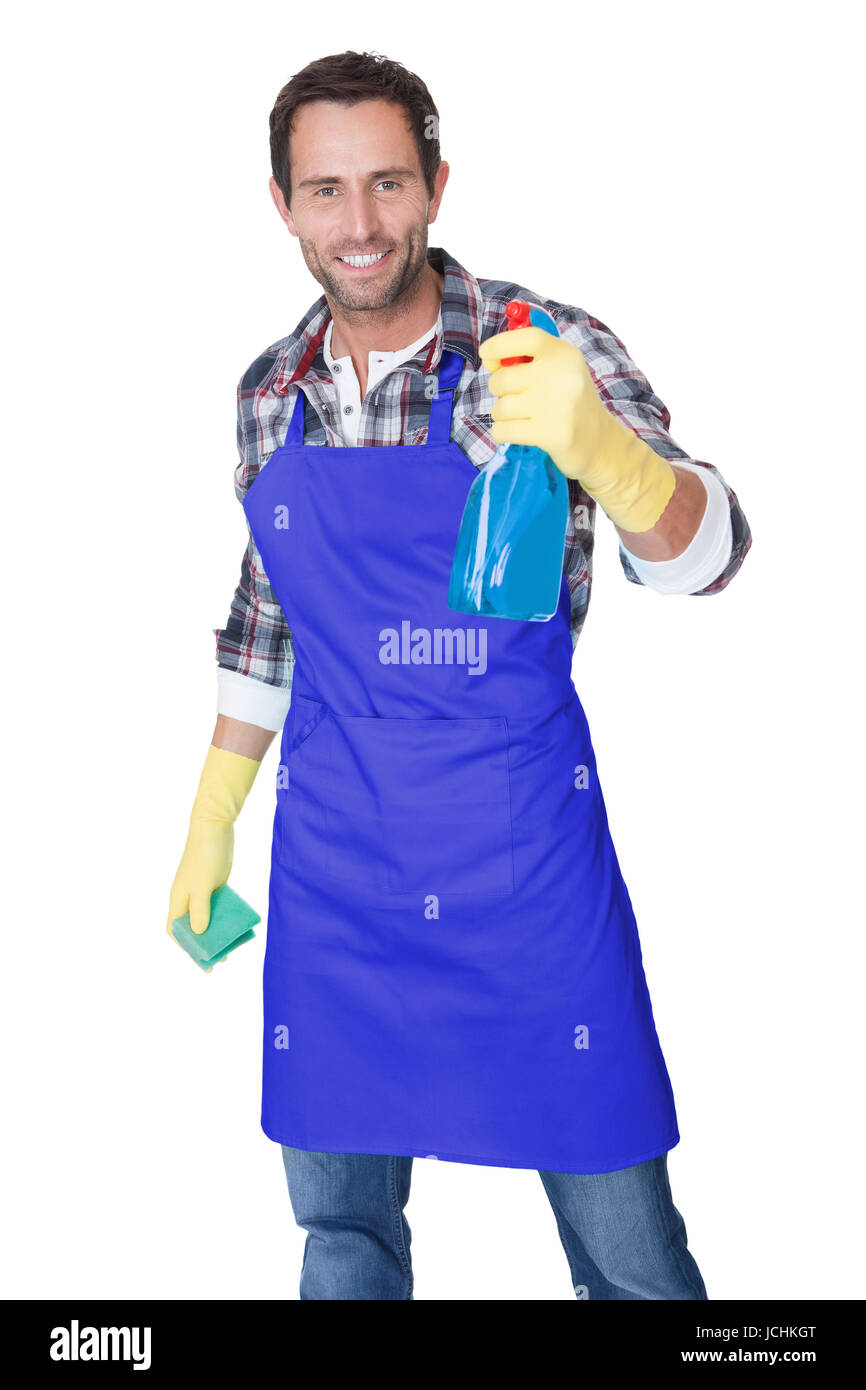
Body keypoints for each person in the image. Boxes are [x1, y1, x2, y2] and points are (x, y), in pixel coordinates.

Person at [167, 49, 751, 1301]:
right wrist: (210, 820)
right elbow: (269, 623)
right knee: (342, 1237)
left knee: (631, 1259)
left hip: (523, 861)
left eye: (386, 183)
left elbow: (710, 556)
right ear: (282, 205)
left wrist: (612, 456)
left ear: (436, 184)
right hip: (335, 871)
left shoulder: (541, 347)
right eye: (324, 191)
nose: (360, 224)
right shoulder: (271, 394)